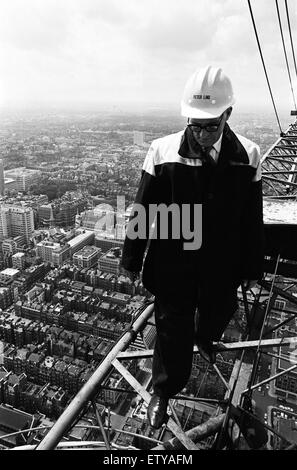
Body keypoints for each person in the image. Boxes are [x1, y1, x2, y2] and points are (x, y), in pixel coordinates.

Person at [121, 65, 264, 428]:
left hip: (221, 262)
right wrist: (132, 260)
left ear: (227, 114)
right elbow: (143, 209)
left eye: (210, 126)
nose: (200, 134)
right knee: (171, 327)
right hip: (174, 263)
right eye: (194, 124)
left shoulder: (248, 155)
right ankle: (164, 391)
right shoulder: (162, 151)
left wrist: (250, 270)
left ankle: (204, 338)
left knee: (218, 310)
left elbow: (251, 218)